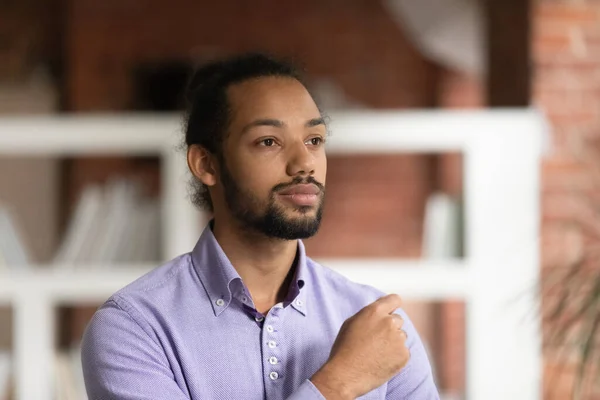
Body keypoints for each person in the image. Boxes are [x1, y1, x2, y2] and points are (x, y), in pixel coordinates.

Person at [81, 53, 440, 399]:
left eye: (314, 140)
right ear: (206, 164)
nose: (304, 163)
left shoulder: (379, 324)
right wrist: (340, 383)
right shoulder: (134, 328)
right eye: (269, 141)